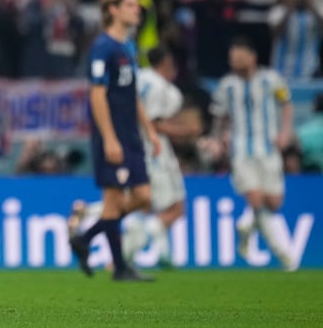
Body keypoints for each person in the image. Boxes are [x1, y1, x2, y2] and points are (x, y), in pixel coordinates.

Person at [68, 0, 161, 282]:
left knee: (143, 196)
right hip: (113, 134)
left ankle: (86, 238)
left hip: (131, 134)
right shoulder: (103, 48)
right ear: (113, 10)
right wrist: (109, 137)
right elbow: (97, 95)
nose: (137, 11)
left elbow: (131, 93)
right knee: (113, 199)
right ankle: (120, 268)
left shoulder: (128, 48)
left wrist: (150, 130)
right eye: (131, 5)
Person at [210, 36, 297, 271]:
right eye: (232, 58)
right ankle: (285, 255)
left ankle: (247, 227)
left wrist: (285, 132)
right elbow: (220, 117)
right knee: (256, 199)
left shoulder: (271, 79)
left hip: (268, 148)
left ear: (252, 57)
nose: (235, 62)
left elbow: (286, 104)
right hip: (241, 151)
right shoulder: (226, 85)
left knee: (274, 202)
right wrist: (218, 140)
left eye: (239, 57)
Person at [121, 46, 200, 268]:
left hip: (133, 149)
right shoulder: (160, 87)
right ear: (166, 62)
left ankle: (159, 254)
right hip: (155, 153)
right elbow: (153, 124)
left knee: (144, 205)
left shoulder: (139, 78)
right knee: (175, 208)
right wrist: (187, 131)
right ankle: (147, 236)